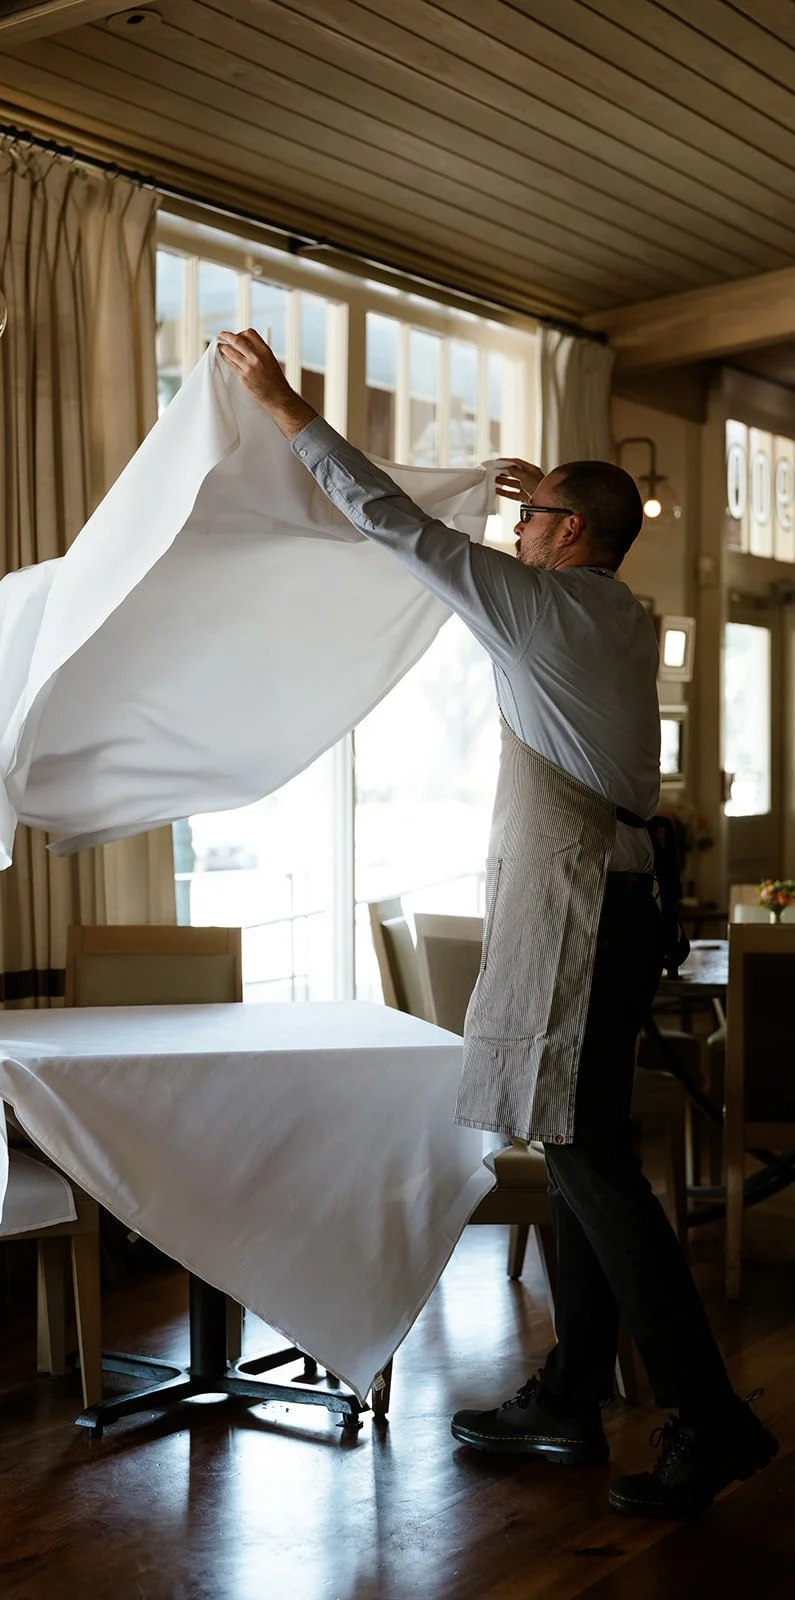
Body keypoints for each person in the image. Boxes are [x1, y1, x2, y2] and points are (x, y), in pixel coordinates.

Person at [216, 327, 777, 1519]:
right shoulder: (616, 616)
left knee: (585, 1160)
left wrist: (282, 408)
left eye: (531, 521)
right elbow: (529, 536)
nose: (511, 532)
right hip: (611, 902)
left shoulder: (540, 612)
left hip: (578, 904)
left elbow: (396, 526)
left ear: (566, 538)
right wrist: (547, 492)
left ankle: (707, 1413)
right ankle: (570, 1396)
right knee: (578, 1160)